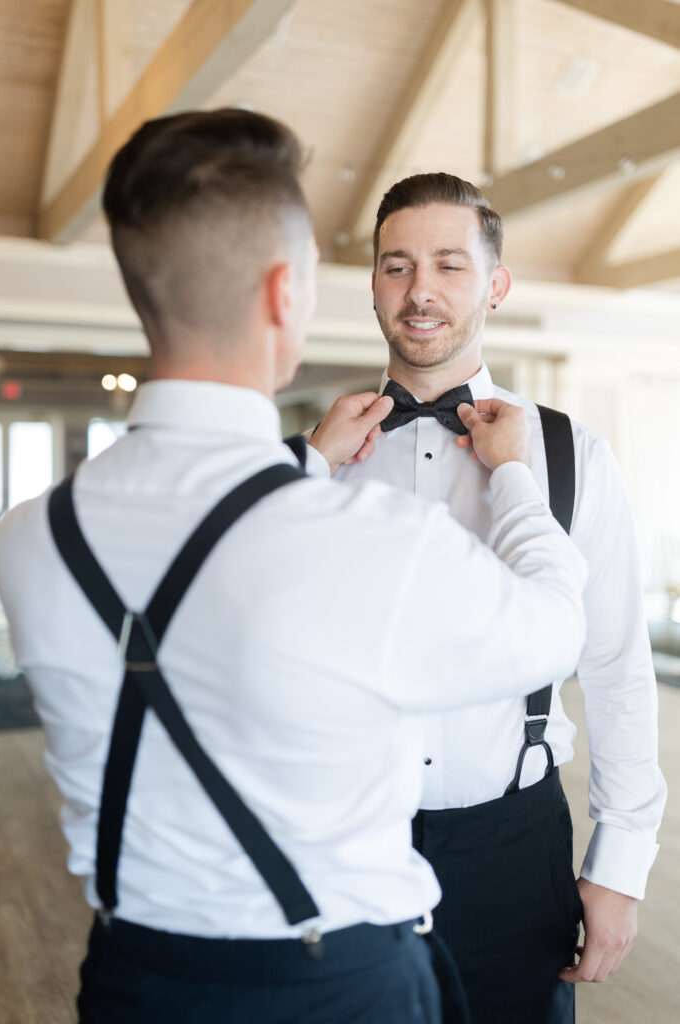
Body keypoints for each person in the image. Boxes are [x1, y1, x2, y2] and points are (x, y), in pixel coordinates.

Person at [0, 115, 588, 1024]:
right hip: (336, 988)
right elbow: (553, 624)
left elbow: (218, 590)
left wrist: (305, 465)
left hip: (130, 981)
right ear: (285, 293)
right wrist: (513, 476)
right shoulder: (370, 537)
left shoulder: (29, 535)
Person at [307, 172, 667, 1024]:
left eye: (448, 265)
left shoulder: (573, 456)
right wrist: (306, 473)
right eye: (395, 266)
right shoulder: (310, 462)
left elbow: (615, 666)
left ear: (496, 285)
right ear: (371, 286)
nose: (419, 290)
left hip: (512, 849)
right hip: (339, 839)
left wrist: (619, 865)